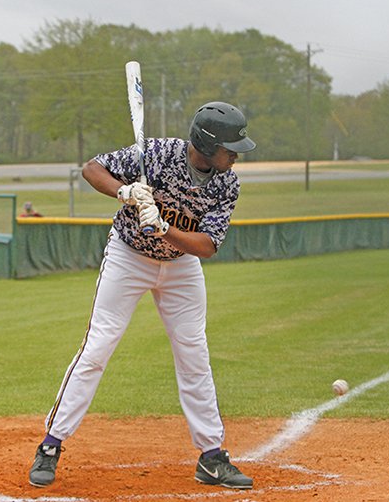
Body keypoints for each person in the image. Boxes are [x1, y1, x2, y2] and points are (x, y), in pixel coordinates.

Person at [28, 102, 256, 491]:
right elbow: (91, 168)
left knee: (193, 353)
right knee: (98, 345)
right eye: (230, 147)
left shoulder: (226, 183)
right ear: (206, 143)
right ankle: (51, 445)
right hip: (128, 256)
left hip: (181, 265)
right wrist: (125, 190)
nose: (236, 154)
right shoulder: (155, 154)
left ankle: (212, 457)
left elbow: (206, 246)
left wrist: (163, 227)